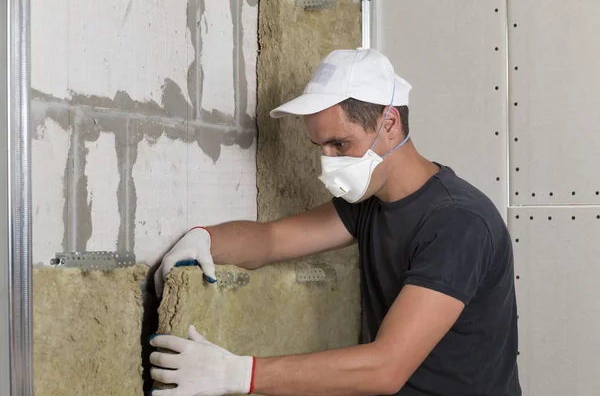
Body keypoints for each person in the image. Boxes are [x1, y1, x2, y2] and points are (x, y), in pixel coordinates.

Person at [149, 48, 521, 396]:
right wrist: (204, 239)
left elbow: (385, 367)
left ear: (389, 123)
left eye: (340, 145)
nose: (327, 163)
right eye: (321, 148)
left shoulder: (458, 223)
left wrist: (239, 374)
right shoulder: (368, 203)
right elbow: (272, 240)